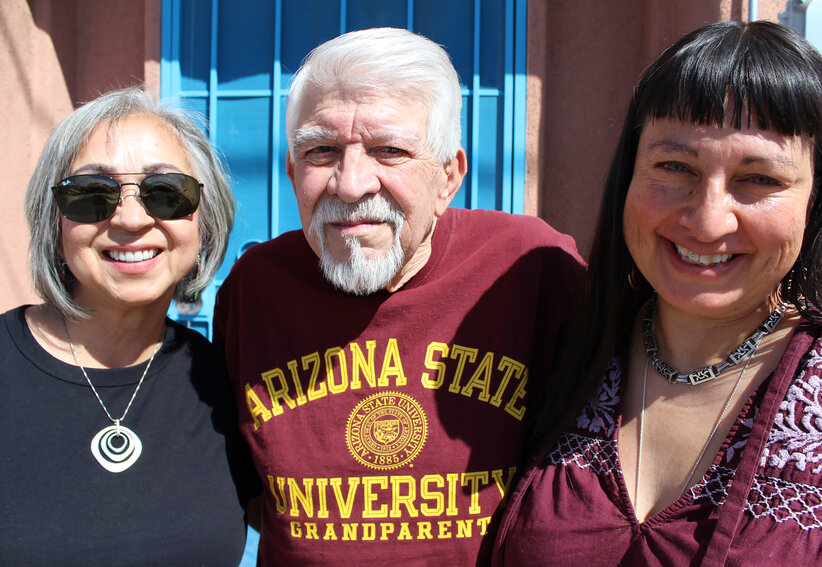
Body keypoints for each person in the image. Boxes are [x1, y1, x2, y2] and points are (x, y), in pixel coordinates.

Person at [213, 27, 585, 565]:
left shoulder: (531, 267)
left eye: (389, 150)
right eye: (321, 150)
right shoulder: (256, 287)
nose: (351, 183)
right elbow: (247, 488)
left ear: (449, 176)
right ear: (292, 172)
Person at [492, 20, 822, 566]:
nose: (707, 222)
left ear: (817, 198)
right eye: (675, 166)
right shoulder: (563, 351)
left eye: (760, 179)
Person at [0, 86, 257, 564]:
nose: (133, 218)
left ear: (204, 221)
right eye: (92, 194)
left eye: (167, 192)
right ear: (53, 222)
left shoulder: (225, 383)